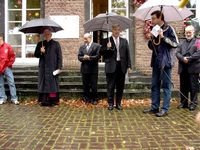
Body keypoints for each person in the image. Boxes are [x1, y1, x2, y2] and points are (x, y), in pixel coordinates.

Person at [143, 10, 178, 117]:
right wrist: (150, 39)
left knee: (166, 86)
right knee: (154, 85)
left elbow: (175, 44)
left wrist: (164, 37)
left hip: (165, 62)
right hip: (156, 61)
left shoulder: (169, 28)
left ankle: (165, 109)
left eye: (153, 18)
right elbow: (151, 47)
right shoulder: (154, 29)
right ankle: (154, 107)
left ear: (160, 18)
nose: (151, 21)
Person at [100, 24, 132, 111]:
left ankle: (118, 103)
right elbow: (101, 53)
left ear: (120, 30)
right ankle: (110, 104)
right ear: (112, 30)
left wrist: (129, 66)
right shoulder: (106, 40)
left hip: (121, 66)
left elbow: (127, 54)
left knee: (120, 86)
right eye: (115, 29)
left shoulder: (124, 41)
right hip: (111, 66)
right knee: (110, 86)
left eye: (118, 29)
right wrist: (107, 47)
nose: (117, 31)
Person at [34, 29, 62, 106]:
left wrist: (59, 67)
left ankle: (52, 101)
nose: (47, 36)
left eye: (48, 34)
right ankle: (44, 100)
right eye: (45, 34)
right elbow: (36, 55)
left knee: (52, 85)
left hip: (53, 67)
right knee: (43, 84)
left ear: (51, 35)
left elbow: (59, 56)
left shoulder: (56, 44)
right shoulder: (40, 44)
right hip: (43, 68)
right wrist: (41, 52)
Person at [176, 25, 200, 111]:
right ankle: (183, 103)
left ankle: (193, 103)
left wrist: (189, 59)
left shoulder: (198, 41)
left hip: (193, 68)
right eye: (187, 32)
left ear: (193, 32)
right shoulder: (181, 42)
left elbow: (198, 53)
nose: (188, 34)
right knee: (183, 86)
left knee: (193, 87)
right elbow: (177, 53)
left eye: (190, 32)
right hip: (183, 67)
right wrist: (183, 59)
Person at [78, 33, 101, 105]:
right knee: (85, 85)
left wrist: (89, 57)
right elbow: (79, 57)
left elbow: (98, 56)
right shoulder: (82, 47)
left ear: (90, 38)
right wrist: (83, 58)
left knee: (94, 85)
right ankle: (87, 98)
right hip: (84, 69)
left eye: (86, 38)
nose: (84, 40)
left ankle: (94, 99)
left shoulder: (97, 46)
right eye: (84, 38)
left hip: (93, 69)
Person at [0, 33, 19, 105]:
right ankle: (2, 98)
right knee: (0, 84)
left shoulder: (7, 46)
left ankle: (14, 98)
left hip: (7, 67)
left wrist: (9, 64)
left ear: (1, 38)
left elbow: (12, 56)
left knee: (11, 83)